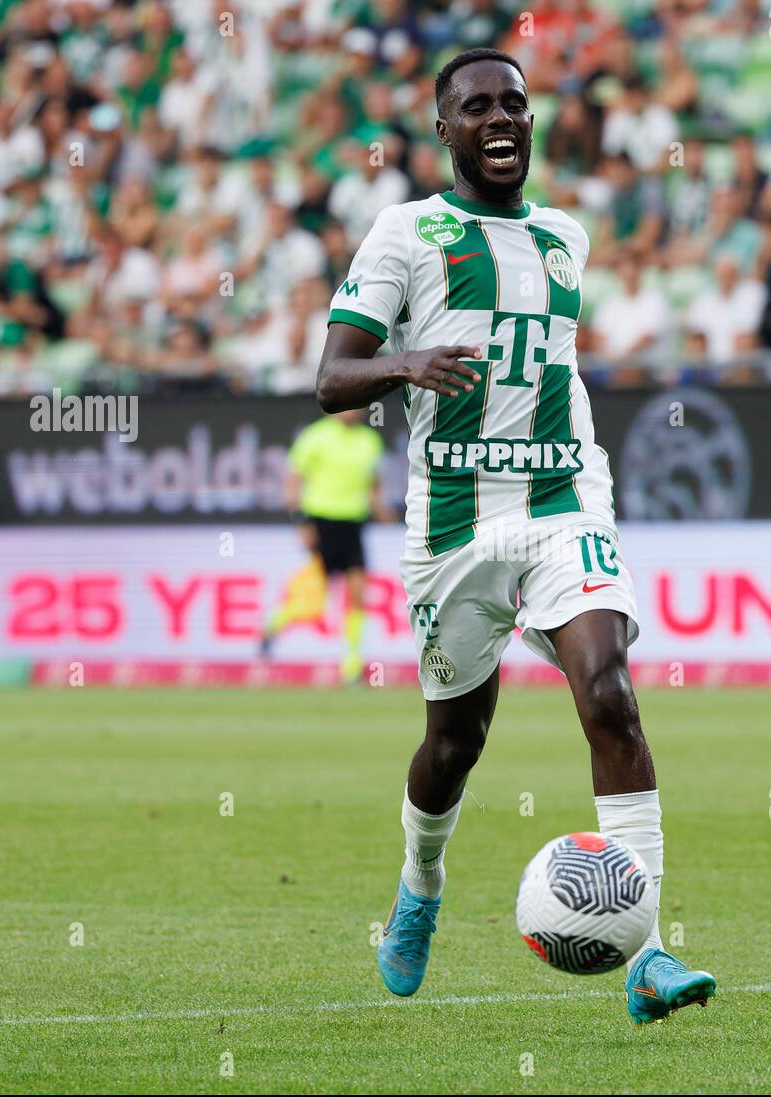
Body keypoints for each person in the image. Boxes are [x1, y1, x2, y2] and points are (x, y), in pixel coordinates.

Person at [316, 48, 716, 1024]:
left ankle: (649, 954)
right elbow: (332, 381)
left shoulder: (563, 236)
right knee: (455, 744)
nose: (499, 118)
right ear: (443, 129)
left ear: (532, 123)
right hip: (453, 526)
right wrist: (406, 363)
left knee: (610, 695)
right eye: (476, 107)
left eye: (515, 104)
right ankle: (420, 886)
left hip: (560, 501)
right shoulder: (407, 232)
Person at [259, 407, 384, 684]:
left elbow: (374, 485)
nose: (355, 410)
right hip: (322, 523)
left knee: (358, 593)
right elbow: (293, 480)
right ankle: (274, 623)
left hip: (353, 524)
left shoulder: (370, 441)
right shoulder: (315, 436)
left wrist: (382, 510)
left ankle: (352, 667)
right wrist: (301, 521)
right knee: (315, 603)